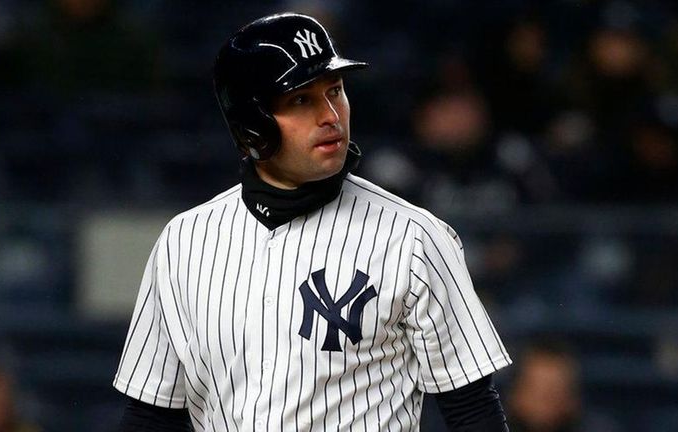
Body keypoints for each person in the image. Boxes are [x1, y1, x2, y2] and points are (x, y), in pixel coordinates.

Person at [114, 12, 512, 431]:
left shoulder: (414, 239)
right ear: (252, 124)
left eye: (335, 91)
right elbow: (150, 413)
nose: (331, 115)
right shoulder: (185, 242)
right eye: (301, 100)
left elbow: (473, 411)